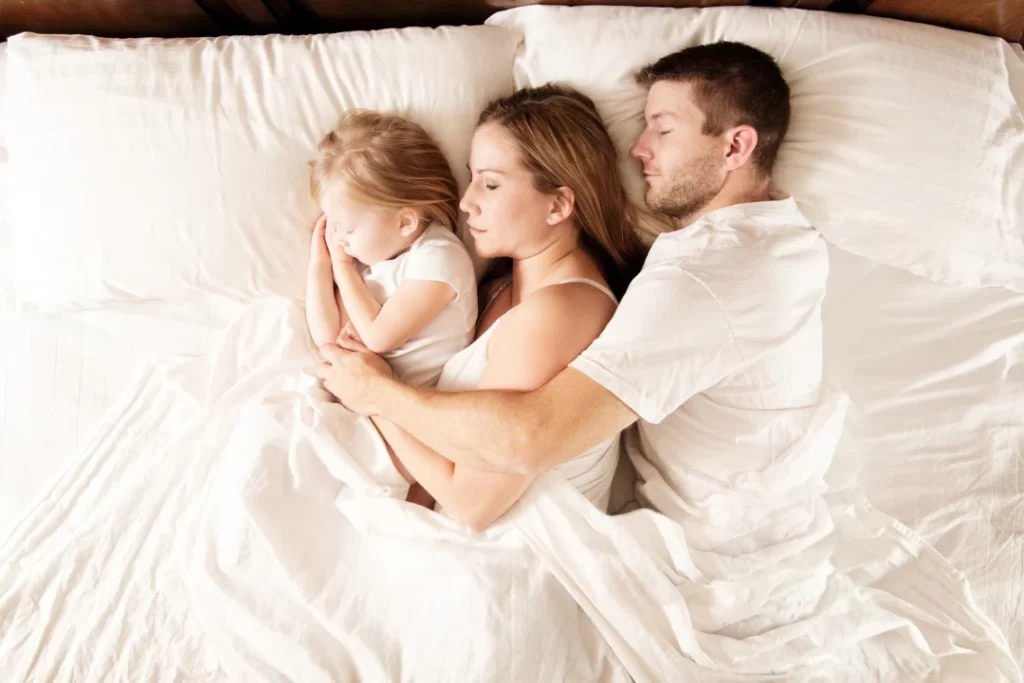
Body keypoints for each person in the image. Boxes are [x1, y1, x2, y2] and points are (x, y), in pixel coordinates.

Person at [317, 42, 827, 518]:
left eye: (664, 129)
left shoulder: (708, 278)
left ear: (736, 146)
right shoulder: (500, 284)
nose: (639, 149)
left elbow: (513, 455)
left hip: (696, 539)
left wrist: (376, 394)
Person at [361, 84, 648, 529]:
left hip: (525, 560)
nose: (466, 201)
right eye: (472, 177)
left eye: (491, 183)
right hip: (455, 540)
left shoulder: (560, 313)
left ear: (558, 204)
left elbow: (473, 504)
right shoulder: (498, 291)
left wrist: (375, 394)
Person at [305, 109, 478, 390]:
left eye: (347, 228)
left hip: (420, 409)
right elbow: (327, 340)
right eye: (332, 224)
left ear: (405, 221)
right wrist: (319, 267)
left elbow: (376, 337)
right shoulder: (372, 260)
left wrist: (341, 267)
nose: (339, 239)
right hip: (368, 398)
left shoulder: (440, 258)